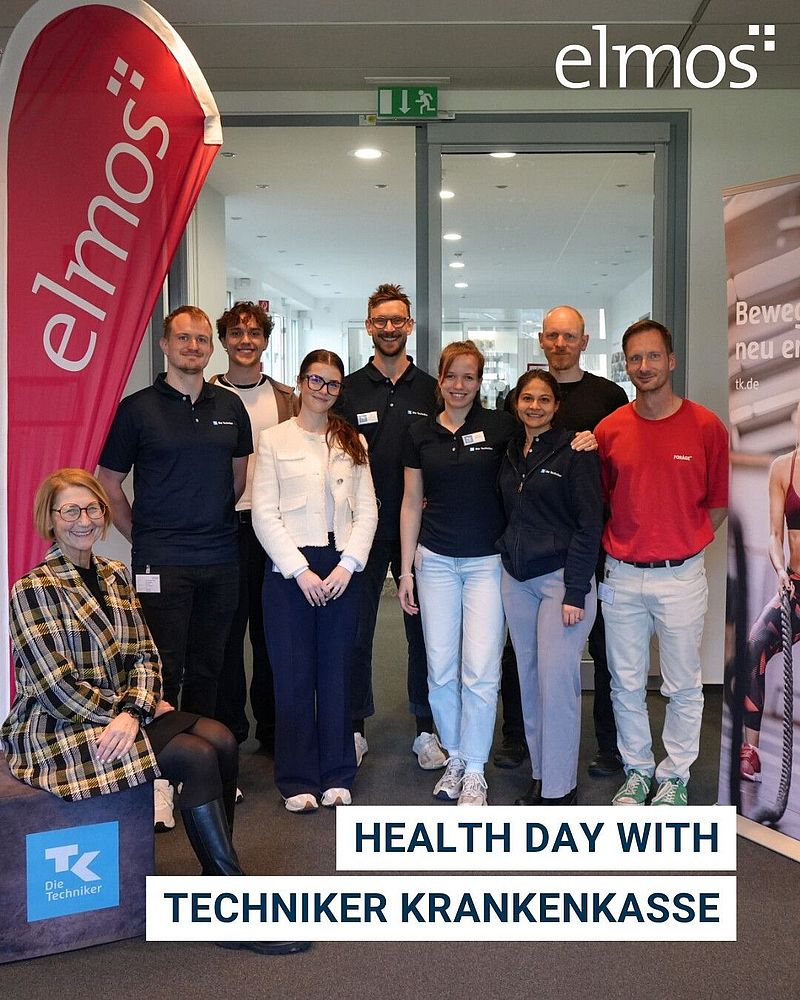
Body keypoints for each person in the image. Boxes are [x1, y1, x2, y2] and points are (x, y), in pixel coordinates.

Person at [0, 469, 308, 956]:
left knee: (222, 738)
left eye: (93, 508)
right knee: (195, 756)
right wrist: (123, 714)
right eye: (71, 510)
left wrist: (135, 709)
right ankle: (230, 907)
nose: (84, 520)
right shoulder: (32, 588)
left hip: (125, 712)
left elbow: (146, 654)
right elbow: (53, 686)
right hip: (59, 727)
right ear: (50, 519)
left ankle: (217, 881)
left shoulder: (115, 574)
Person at [98, 305, 252, 830]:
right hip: (161, 561)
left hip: (220, 557)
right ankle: (160, 777)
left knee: (211, 666)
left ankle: (201, 770)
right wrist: (143, 535)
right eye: (183, 338)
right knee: (161, 669)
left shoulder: (230, 406)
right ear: (165, 345)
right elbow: (109, 482)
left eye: (201, 340)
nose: (193, 347)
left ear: (211, 348)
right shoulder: (137, 409)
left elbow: (237, 478)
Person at [595, 319, 728, 806]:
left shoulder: (706, 427)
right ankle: (637, 770)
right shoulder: (610, 430)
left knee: (683, 684)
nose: (644, 366)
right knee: (625, 683)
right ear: (626, 365)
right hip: (622, 575)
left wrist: (683, 542)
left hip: (681, 576)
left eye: (653, 356)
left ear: (671, 360)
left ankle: (675, 776)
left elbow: (718, 504)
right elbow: (604, 500)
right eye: (635, 358)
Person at [252, 350, 378, 812]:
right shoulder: (273, 439)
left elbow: (368, 510)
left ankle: (338, 772)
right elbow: (264, 514)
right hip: (290, 571)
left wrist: (349, 565)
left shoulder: (352, 440)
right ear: (301, 382)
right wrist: (299, 570)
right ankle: (297, 778)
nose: (323, 390)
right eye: (316, 380)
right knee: (293, 676)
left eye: (333, 384)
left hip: (341, 567)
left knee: (336, 673)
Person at [399, 340, 516, 807]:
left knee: (481, 669)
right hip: (435, 562)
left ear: (480, 382)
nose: (459, 385)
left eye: (469, 377)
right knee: (441, 668)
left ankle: (476, 769)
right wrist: (405, 571)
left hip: (487, 563)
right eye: (451, 376)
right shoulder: (420, 432)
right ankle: (456, 757)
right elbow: (411, 502)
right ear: (440, 380)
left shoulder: (501, 426)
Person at [337, 283, 444, 770]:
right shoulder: (348, 389)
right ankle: (355, 728)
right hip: (360, 528)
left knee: (422, 633)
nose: (388, 328)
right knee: (356, 633)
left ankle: (426, 729)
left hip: (419, 529)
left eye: (397, 320)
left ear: (409, 326)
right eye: (380, 320)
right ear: (368, 326)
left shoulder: (431, 389)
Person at [496, 370, 603, 806]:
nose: (534, 406)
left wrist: (576, 590)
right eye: (527, 398)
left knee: (557, 685)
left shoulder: (576, 450)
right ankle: (541, 774)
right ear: (516, 403)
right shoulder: (510, 450)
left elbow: (590, 524)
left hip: (562, 582)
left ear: (557, 406)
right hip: (517, 580)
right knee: (529, 680)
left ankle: (560, 789)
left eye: (544, 399)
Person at [539, 305, 629, 778]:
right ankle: (517, 736)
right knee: (527, 646)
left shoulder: (609, 396)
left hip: (595, 540)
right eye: (552, 336)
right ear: (541, 340)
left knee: (605, 645)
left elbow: (622, 463)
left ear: (584, 341)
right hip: (540, 544)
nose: (560, 344)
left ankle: (609, 746)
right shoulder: (527, 395)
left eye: (569, 336)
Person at [210, 301, 299, 753]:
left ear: (265, 340)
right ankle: (228, 730)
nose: (246, 340)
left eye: (254, 333)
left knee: (272, 633)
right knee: (226, 634)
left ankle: (273, 726)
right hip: (225, 527)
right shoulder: (205, 394)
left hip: (275, 530)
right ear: (224, 341)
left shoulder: (287, 399)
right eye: (236, 333)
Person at [741, 410, 800, 783]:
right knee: (755, 643)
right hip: (796, 584)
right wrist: (780, 570)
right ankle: (751, 751)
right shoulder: (783, 468)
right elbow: (775, 535)